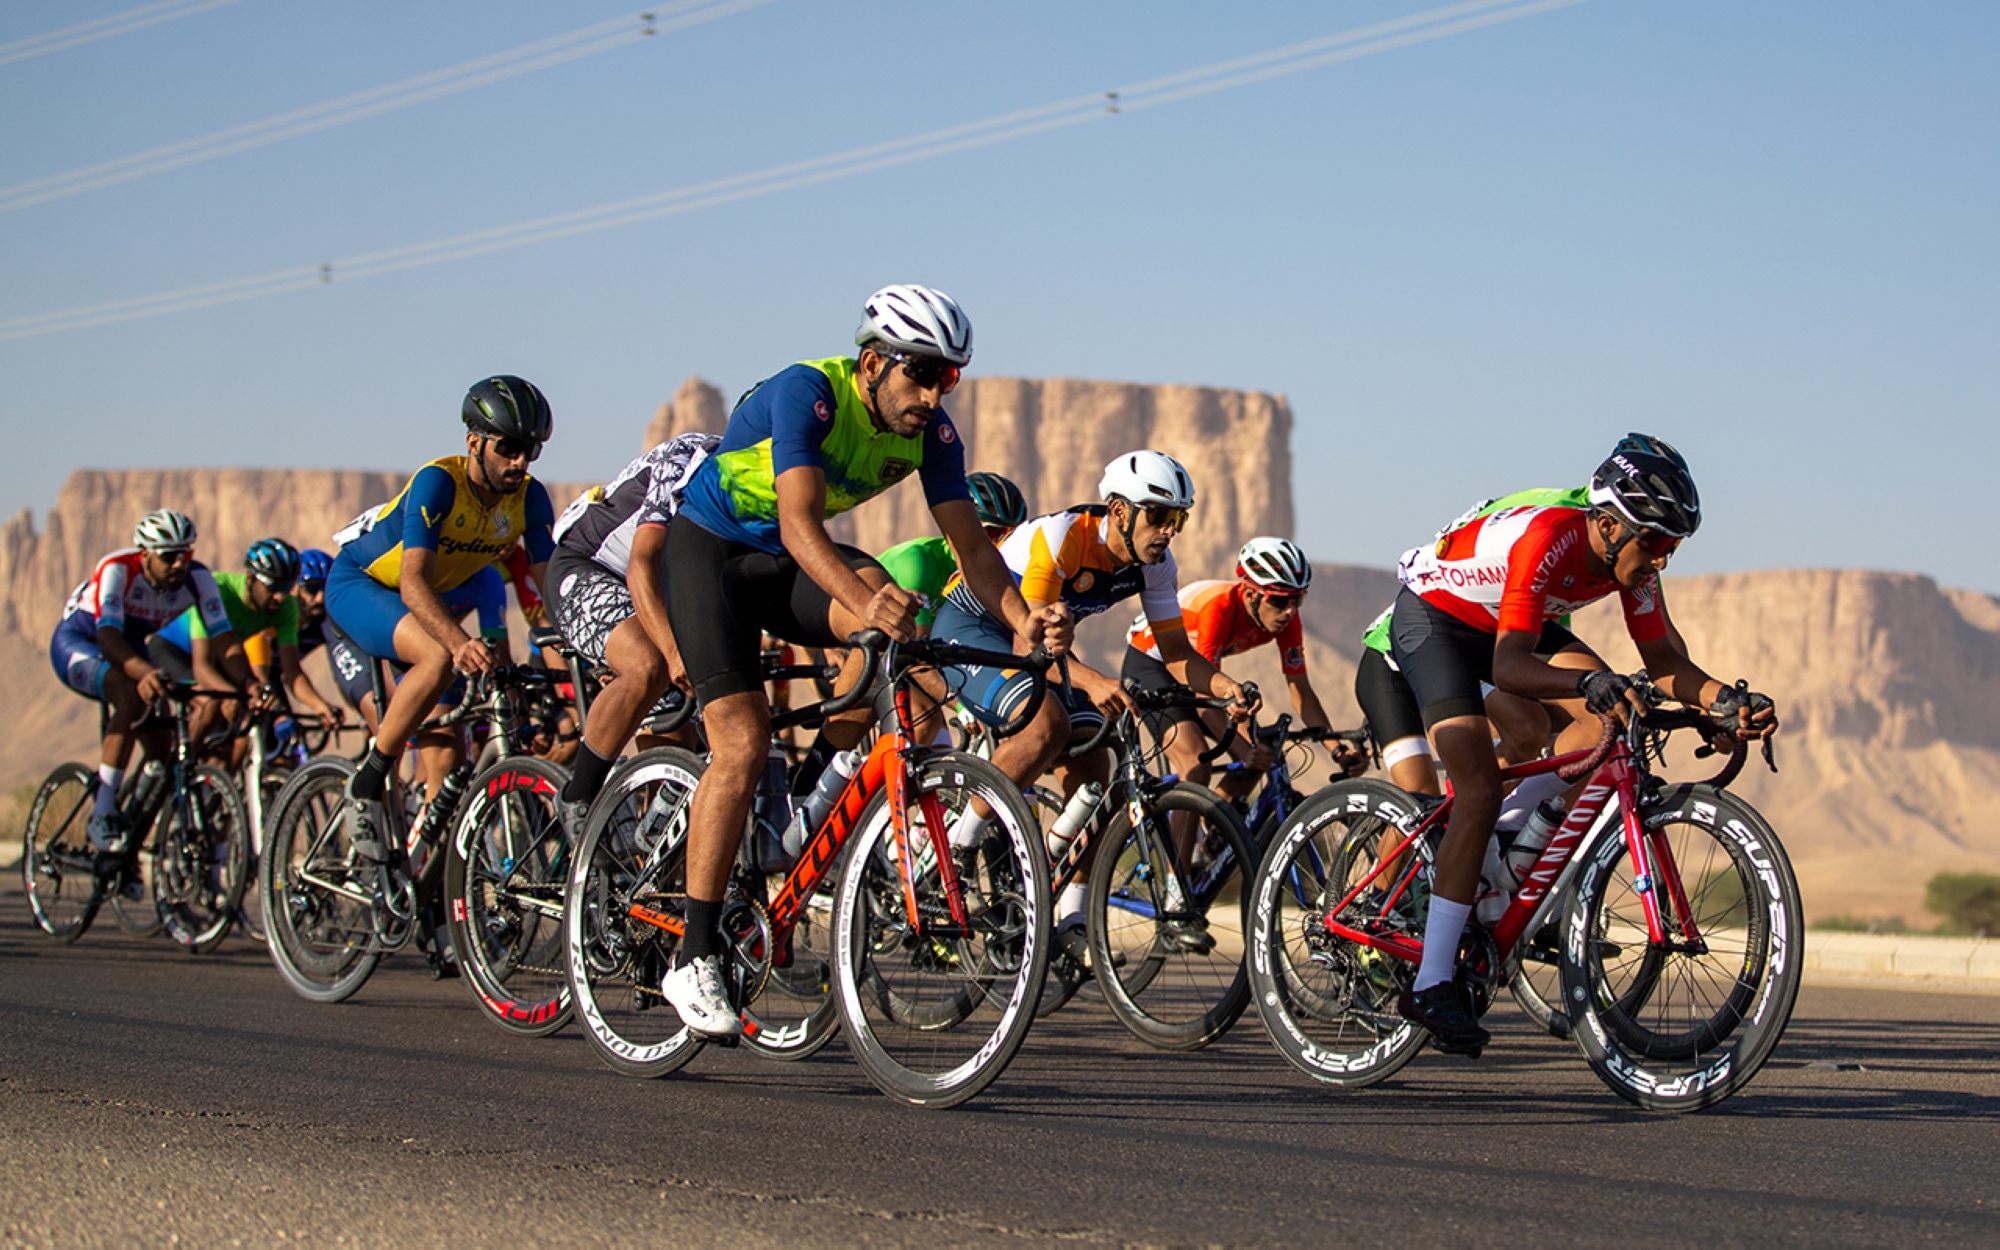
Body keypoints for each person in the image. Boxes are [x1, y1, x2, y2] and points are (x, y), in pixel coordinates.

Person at [658, 283, 1070, 1037]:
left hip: (786, 564)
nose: (932, 393)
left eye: (948, 377)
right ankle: (691, 955)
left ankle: (822, 789)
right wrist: (861, 597)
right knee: (743, 739)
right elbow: (797, 520)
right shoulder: (807, 393)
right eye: (920, 372)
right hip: (713, 556)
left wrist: (1022, 621)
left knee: (898, 628)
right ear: (874, 362)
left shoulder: (932, 435)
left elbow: (974, 551)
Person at [1386, 434, 1776, 1054]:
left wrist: (1724, 700)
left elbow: (1664, 658)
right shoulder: (1551, 538)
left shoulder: (1632, 562)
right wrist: (1588, 678)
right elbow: (1511, 666)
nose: (1663, 560)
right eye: (1655, 542)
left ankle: (1503, 851)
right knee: (1480, 784)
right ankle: (1432, 982)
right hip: (1437, 621)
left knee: (1611, 716)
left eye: (1673, 545)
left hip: (1511, 623)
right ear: (1608, 525)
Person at [932, 449, 1256, 956]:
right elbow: (1028, 642)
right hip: (976, 626)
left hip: (1042, 644)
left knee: (1097, 767)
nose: (1169, 531)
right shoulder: (1061, 537)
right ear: (1121, 511)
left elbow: (1175, 654)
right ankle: (957, 845)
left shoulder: (1156, 565)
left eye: (1179, 519)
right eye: (1160, 516)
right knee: (1045, 726)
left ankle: (1071, 914)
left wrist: (1224, 687)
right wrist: (1093, 680)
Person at [326, 376, 555, 863]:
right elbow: (412, 583)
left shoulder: (530, 499)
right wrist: (457, 643)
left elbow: (550, 587)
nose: (520, 462)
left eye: (530, 450)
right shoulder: (439, 482)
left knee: (449, 754)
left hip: (431, 603)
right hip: (366, 586)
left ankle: (420, 877)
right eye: (509, 447)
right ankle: (367, 781)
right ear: (474, 441)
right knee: (436, 656)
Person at [544, 429, 719, 823]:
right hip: (587, 567)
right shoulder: (688, 457)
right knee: (649, 664)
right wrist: (674, 653)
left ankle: (652, 868)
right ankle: (578, 799)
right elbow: (642, 566)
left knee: (679, 763)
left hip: (664, 590)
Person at [47, 509, 233, 855]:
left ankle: (131, 830)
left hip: (129, 650)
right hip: (83, 643)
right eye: (168, 556)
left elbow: (225, 639)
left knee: (162, 750)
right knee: (132, 695)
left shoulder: (198, 578)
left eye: (185, 554)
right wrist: (145, 673)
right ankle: (102, 812)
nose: (179, 564)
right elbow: (107, 638)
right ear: (145, 555)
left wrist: (248, 686)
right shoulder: (118, 569)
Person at [1123, 536, 1360, 802]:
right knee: (1197, 763)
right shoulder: (1218, 608)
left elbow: (1301, 692)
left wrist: (1336, 749)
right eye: (1280, 601)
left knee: (1262, 755)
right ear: (1250, 594)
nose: (1289, 612)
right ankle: (1182, 843)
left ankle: (1214, 828)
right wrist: (1244, 750)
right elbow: (1204, 695)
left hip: (1195, 672)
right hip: (1153, 665)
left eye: (1297, 600)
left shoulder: (1287, 621)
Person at [151, 538, 344, 757]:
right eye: (274, 587)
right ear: (251, 578)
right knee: (211, 705)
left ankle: (220, 783)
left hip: (221, 658)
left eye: (287, 587)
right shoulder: (217, 591)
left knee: (243, 730)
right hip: (175, 651)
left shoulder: (285, 608)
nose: (280, 596)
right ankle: (177, 766)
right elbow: (202, 667)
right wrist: (234, 695)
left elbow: (292, 672)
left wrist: (320, 706)